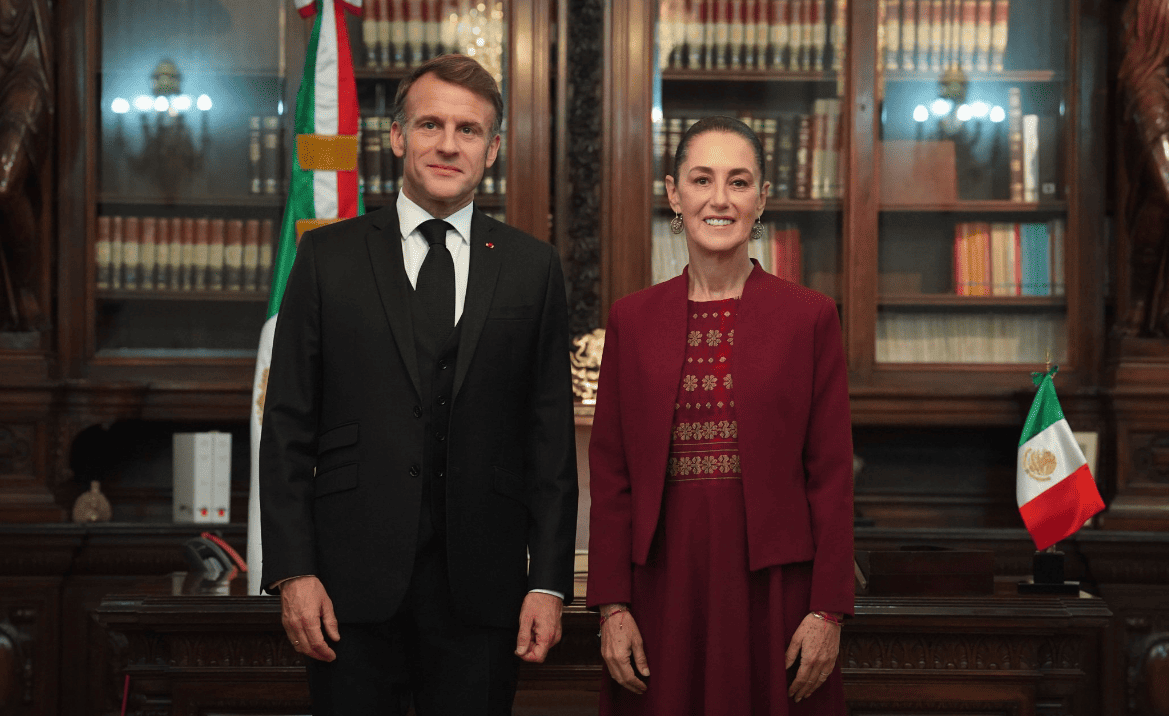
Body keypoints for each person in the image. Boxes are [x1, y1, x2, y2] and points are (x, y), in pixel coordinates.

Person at [260, 54, 578, 716]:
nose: (448, 143)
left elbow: (548, 441)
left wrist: (547, 583)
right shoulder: (327, 258)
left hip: (483, 592)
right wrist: (294, 571)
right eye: (431, 124)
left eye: (468, 130)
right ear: (398, 136)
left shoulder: (532, 268)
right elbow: (288, 425)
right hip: (347, 590)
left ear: (492, 149)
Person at [587, 116, 854, 715]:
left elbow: (832, 475)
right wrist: (611, 606)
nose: (719, 199)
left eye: (738, 182)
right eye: (701, 180)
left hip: (776, 592)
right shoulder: (632, 320)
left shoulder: (809, 318)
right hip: (661, 586)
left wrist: (827, 611)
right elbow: (611, 476)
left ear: (762, 200)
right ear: (673, 194)